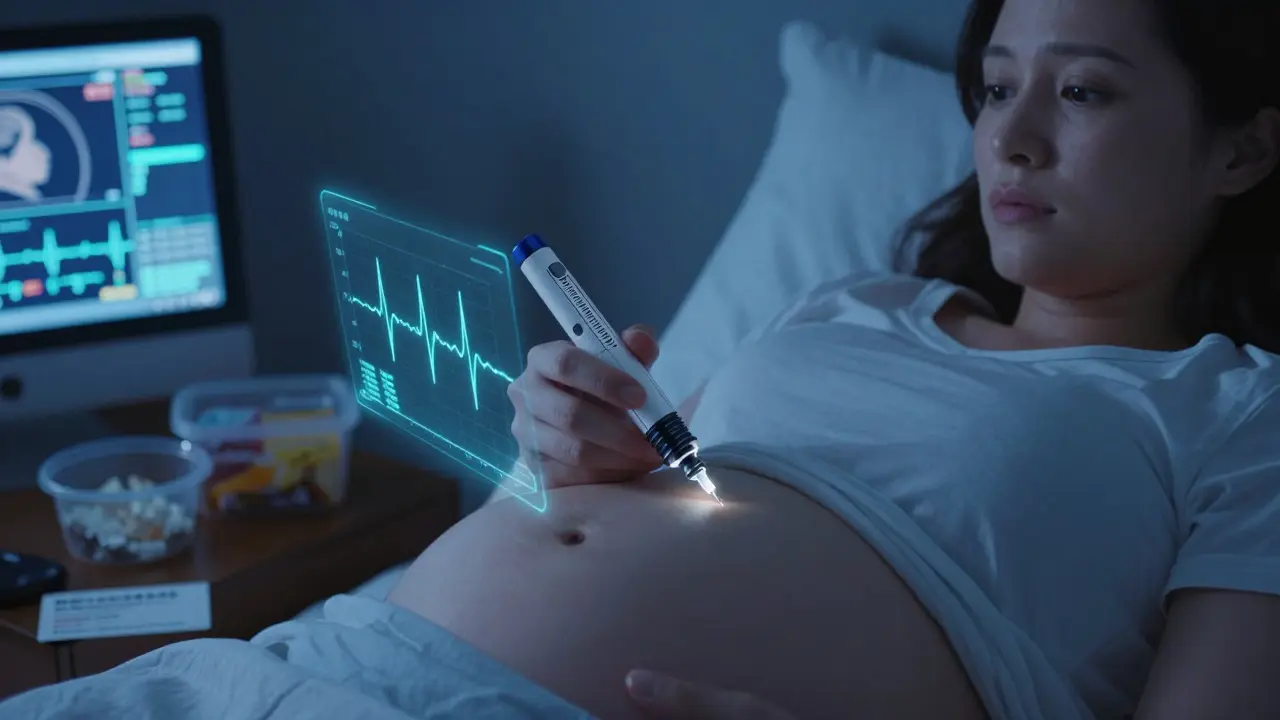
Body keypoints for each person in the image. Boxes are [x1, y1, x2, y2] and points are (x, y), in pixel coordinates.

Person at [388, 0, 1280, 717]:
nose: (1013, 138)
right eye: (999, 88)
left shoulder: (1239, 413)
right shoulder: (851, 302)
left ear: (1242, 150)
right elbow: (652, 481)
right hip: (357, 663)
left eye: (1082, 91)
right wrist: (567, 451)